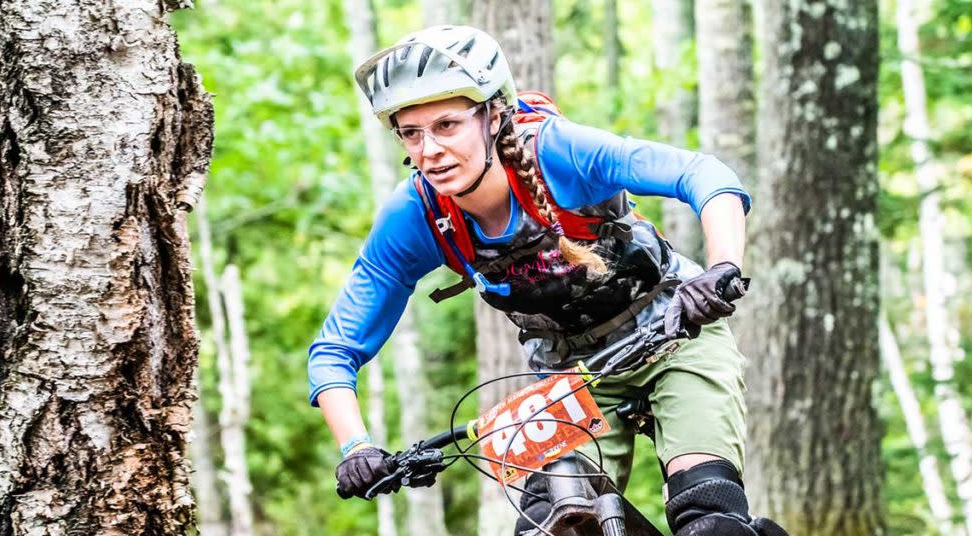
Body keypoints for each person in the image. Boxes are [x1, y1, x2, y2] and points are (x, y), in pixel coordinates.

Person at [309, 25, 787, 536]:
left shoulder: (558, 152)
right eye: (411, 133)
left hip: (675, 333)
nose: (429, 150)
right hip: (567, 376)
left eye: (447, 125)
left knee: (709, 519)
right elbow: (335, 349)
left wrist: (721, 268)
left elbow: (705, 176)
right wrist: (356, 447)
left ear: (493, 115)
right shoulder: (416, 216)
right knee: (549, 527)